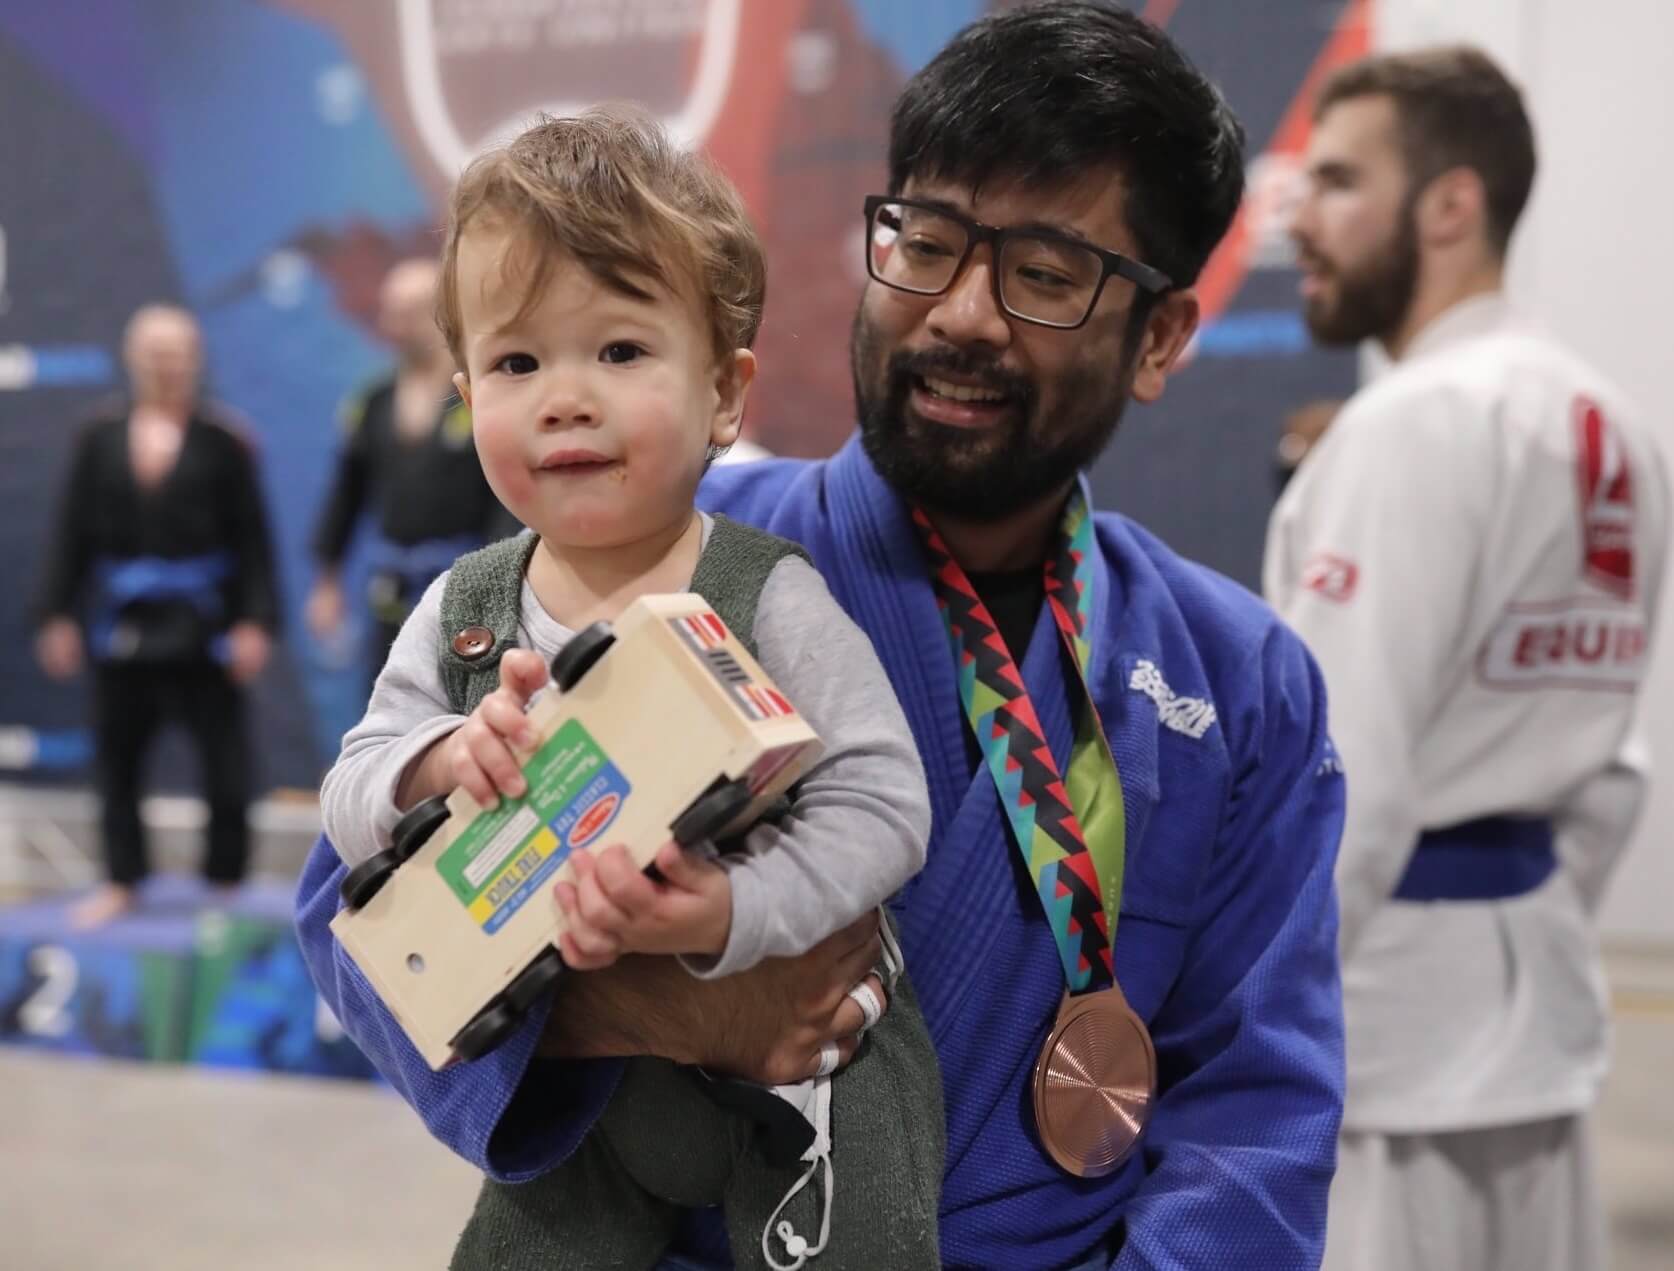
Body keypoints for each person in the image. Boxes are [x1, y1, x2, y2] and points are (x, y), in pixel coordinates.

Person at [298, 5, 1347, 1268]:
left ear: (1162, 336)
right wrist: (656, 1011)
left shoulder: (1239, 679)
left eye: (1045, 274)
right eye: (927, 243)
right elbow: (359, 929)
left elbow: (1256, 1119)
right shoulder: (657, 560)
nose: (962, 313)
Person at [313, 110, 944, 1271]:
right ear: (466, 391)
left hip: (815, 1073)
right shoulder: (465, 610)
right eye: (517, 363)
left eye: (619, 351)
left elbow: (887, 804)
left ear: (725, 394)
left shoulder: (768, 597)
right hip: (588, 1087)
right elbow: (349, 795)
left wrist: (729, 909)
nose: (565, 397)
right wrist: (441, 761)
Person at [1266, 46, 1668, 1271]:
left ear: (1450, 204)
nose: (1301, 217)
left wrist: (1255, 1029)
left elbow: (1345, 775)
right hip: (1533, 1015)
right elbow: (1614, 773)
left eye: (1340, 181)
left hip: (1387, 1045)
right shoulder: (1609, 423)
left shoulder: (1411, 425)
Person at [35, 304, 280, 929]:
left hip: (204, 623)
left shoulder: (224, 440)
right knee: (116, 758)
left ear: (195, 359)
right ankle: (123, 879)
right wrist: (57, 613)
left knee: (224, 758)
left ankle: (225, 881)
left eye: (177, 352)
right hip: (125, 622)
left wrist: (254, 622)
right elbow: (71, 534)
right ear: (131, 357)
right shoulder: (99, 438)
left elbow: (253, 539)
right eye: (154, 352)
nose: (165, 364)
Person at [306, 258, 510, 693]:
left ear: (442, 313)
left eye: (408, 312)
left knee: (474, 698)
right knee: (390, 698)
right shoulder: (373, 402)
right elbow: (347, 494)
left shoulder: (482, 394)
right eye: (390, 312)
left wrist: (496, 581)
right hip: (396, 589)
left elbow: (509, 495)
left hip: (471, 586)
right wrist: (328, 579)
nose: (394, 325)